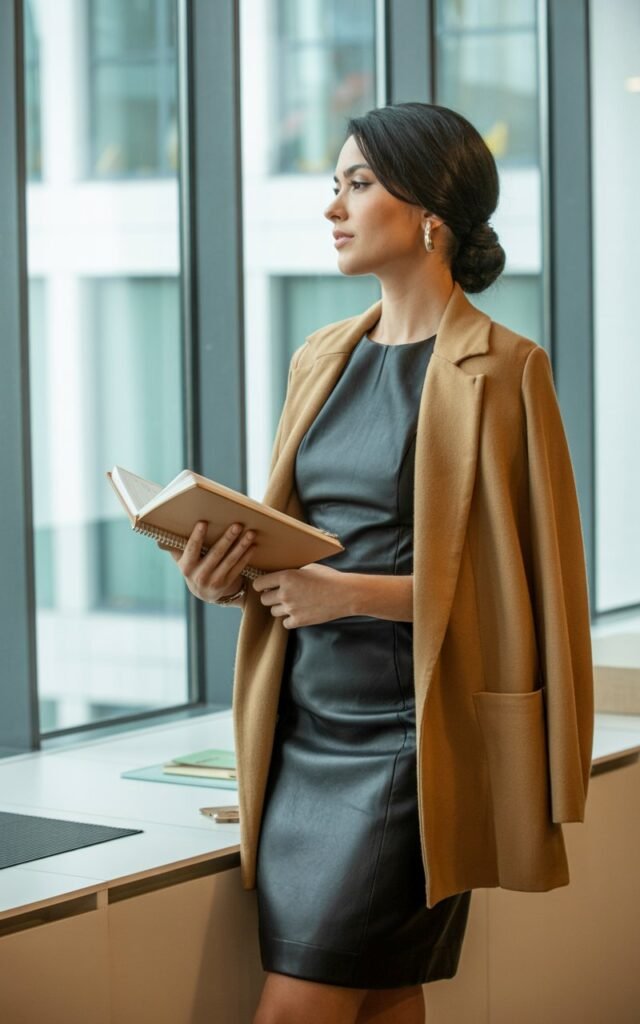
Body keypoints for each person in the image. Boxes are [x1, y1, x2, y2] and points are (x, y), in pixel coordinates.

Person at [160, 102, 594, 1024]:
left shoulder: (508, 369)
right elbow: (294, 545)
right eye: (335, 185)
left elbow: (535, 596)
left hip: (411, 743)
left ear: (432, 213)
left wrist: (343, 592)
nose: (334, 208)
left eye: (358, 184)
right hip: (304, 738)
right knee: (387, 998)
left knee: (295, 1010)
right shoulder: (323, 355)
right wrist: (224, 573)